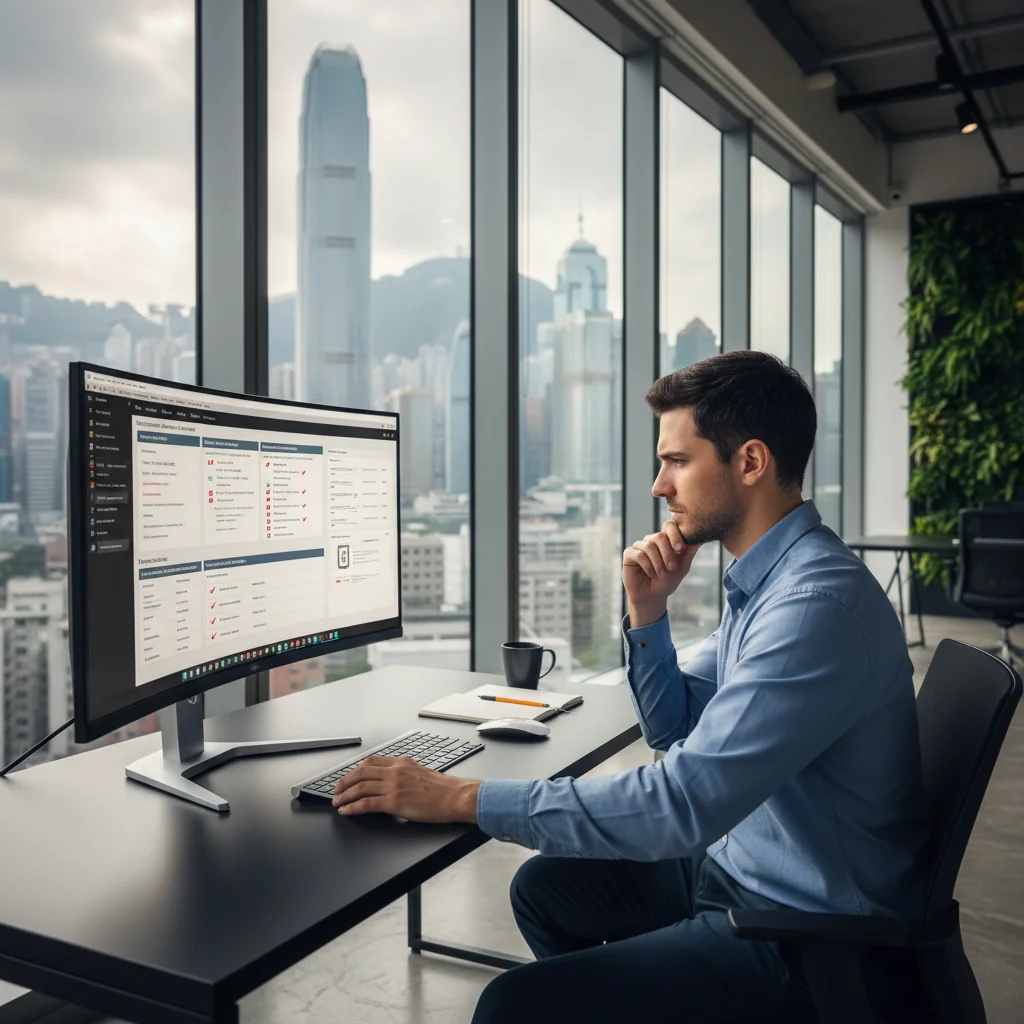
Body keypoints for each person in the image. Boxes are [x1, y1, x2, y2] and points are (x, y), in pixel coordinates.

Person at [331, 350, 930, 1023]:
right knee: (544, 891)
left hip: (806, 936)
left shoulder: (813, 607)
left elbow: (680, 805)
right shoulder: (769, 583)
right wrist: (648, 612)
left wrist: (460, 797)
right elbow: (675, 730)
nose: (658, 485)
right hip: (745, 866)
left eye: (677, 460)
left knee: (510, 1006)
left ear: (751, 462)